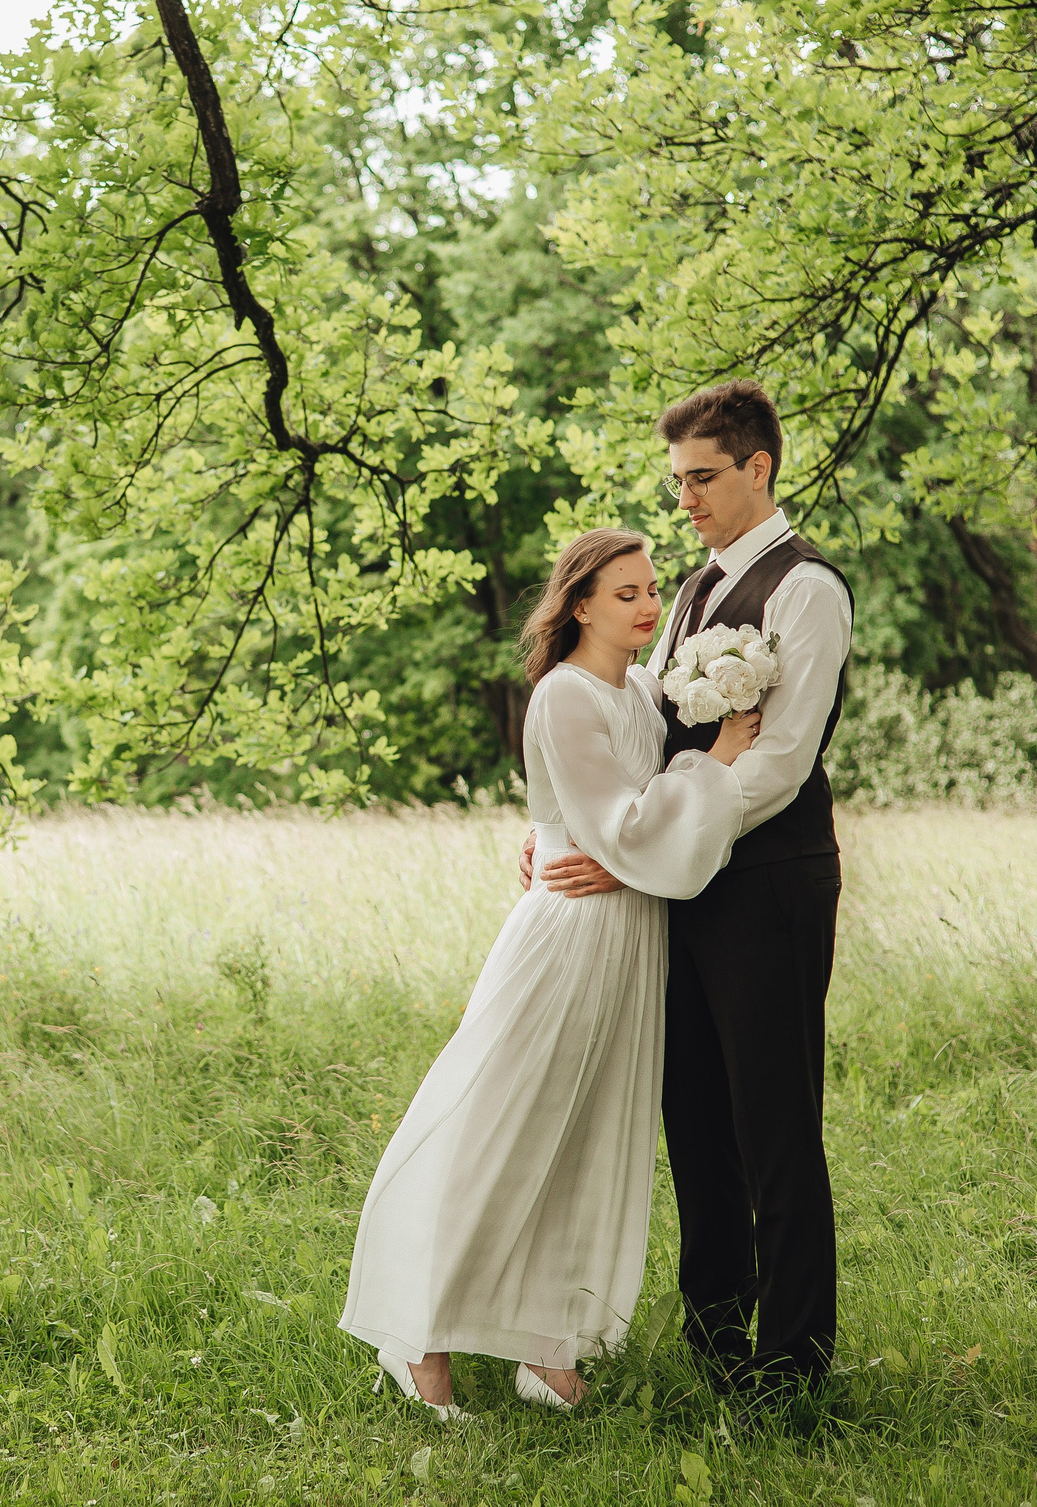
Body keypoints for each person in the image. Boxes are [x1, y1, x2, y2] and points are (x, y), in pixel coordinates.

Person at [340, 527, 761, 1419]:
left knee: (588, 1133)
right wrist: (718, 760)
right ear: (577, 605)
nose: (648, 605)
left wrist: (628, 838)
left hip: (632, 938)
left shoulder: (644, 689)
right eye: (624, 593)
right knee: (502, 1127)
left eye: (651, 589)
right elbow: (618, 826)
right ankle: (417, 1332)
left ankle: (547, 1342)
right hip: (569, 932)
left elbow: (631, 824)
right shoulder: (563, 697)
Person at [525, 379, 854, 1398]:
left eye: (703, 478)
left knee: (773, 1126)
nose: (686, 501)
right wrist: (574, 833)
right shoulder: (693, 594)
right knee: (697, 1121)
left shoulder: (806, 589)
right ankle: (716, 1344)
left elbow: (779, 761)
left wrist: (658, 840)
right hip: (680, 887)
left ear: (759, 468)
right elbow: (635, 738)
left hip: (767, 883)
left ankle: (791, 1366)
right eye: (677, 482)